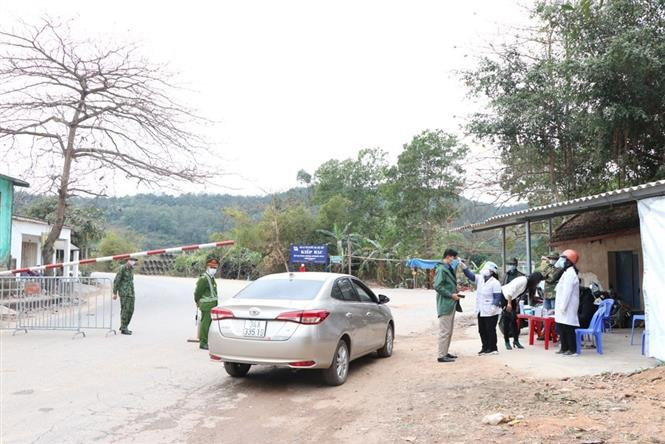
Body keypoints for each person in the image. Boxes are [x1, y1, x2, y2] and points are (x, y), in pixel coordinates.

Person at [433, 248, 463, 363]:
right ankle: (441, 355)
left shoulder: (448, 268)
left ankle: (445, 352)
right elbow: (438, 286)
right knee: (444, 331)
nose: (454, 260)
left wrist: (455, 291)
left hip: (451, 303)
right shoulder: (441, 269)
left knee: (449, 330)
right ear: (448, 256)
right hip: (446, 303)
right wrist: (451, 295)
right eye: (453, 258)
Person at [501, 272, 544, 350]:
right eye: (538, 281)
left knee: (514, 320)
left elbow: (522, 295)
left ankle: (516, 341)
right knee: (507, 319)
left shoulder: (529, 285)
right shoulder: (523, 280)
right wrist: (509, 304)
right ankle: (506, 341)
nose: (538, 283)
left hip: (512, 298)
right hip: (505, 296)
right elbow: (510, 291)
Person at [554, 249, 581, 356]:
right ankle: (564, 348)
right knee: (562, 328)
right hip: (563, 307)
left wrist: (563, 307)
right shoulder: (566, 273)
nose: (562, 262)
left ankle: (572, 349)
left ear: (569, 261)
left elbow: (567, 292)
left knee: (569, 328)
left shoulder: (571, 274)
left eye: (564, 259)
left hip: (567, 306)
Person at [473, 262, 503, 355]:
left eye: (487, 269)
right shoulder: (480, 279)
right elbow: (470, 275)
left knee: (490, 329)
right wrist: (464, 267)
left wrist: (493, 307)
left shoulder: (495, 282)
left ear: (491, 271)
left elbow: (497, 297)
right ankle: (485, 347)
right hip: (481, 309)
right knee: (482, 330)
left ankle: (493, 348)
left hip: (491, 310)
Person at [194, 257, 220, 350]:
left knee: (209, 324)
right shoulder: (204, 279)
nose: (214, 269)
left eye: (215, 267)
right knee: (205, 324)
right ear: (207, 267)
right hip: (206, 305)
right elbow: (198, 292)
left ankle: (206, 341)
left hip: (212, 305)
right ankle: (203, 343)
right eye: (212, 267)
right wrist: (197, 301)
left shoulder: (211, 278)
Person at [113, 257, 137, 335]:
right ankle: (124, 328)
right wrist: (114, 293)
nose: (134, 262)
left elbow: (131, 281)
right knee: (125, 310)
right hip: (124, 292)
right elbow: (117, 280)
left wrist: (132, 292)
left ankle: (125, 326)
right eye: (132, 260)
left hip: (131, 292)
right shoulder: (122, 268)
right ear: (128, 260)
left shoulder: (131, 269)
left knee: (131, 310)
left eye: (134, 261)